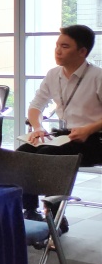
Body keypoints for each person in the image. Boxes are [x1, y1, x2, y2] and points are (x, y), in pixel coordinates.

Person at [22, 25, 102, 231]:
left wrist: (88, 129)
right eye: (57, 45)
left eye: (65, 47)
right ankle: (30, 210)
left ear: (82, 51)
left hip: (94, 138)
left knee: (48, 155)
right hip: (66, 135)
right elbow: (36, 106)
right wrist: (38, 127)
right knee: (23, 152)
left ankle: (56, 217)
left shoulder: (97, 77)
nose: (57, 51)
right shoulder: (53, 74)